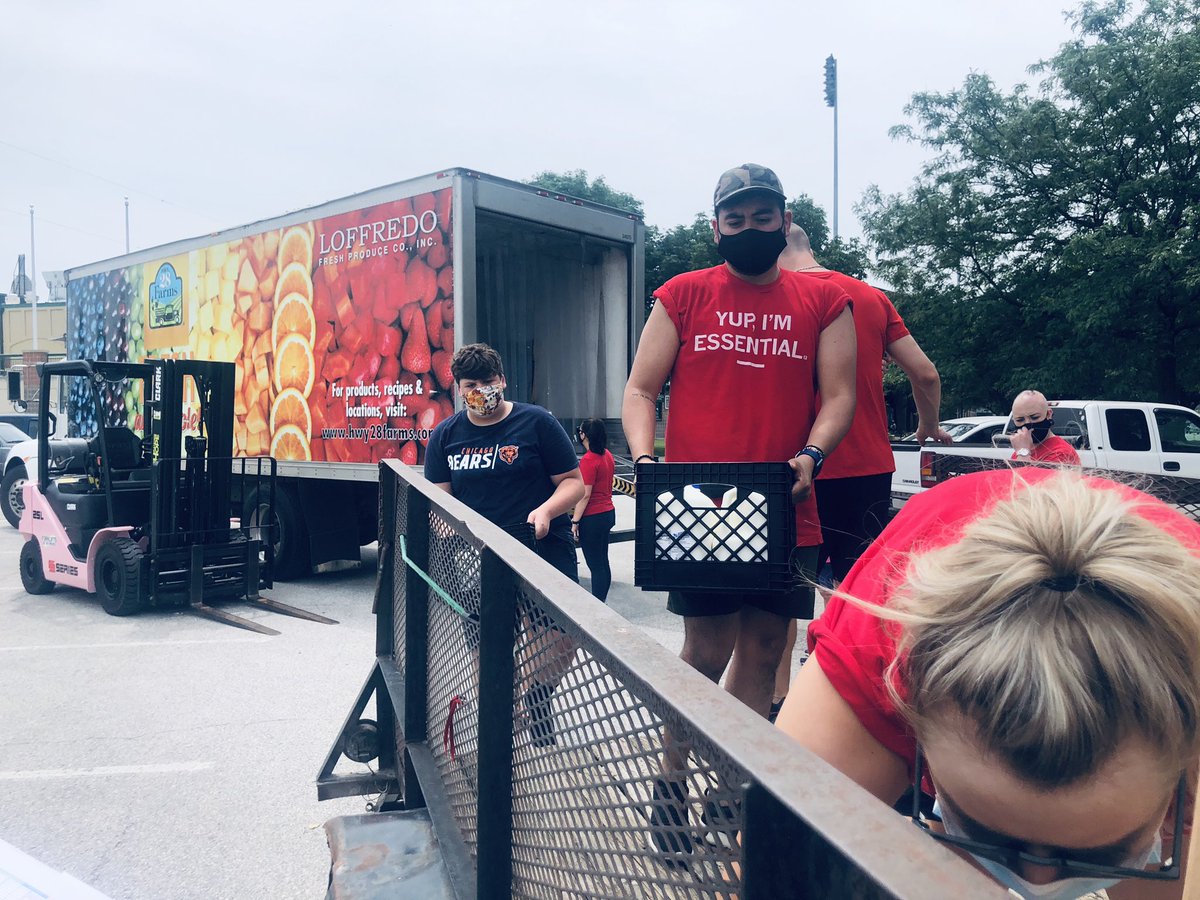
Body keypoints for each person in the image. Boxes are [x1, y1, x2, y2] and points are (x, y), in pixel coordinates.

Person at [777, 468, 1198, 900]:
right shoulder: (877, 638)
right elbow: (766, 871)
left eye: (1100, 853)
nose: (1038, 884)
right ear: (913, 713)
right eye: (984, 834)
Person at [623, 163, 856, 862]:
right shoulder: (684, 295)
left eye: (763, 217)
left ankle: (730, 786)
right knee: (704, 652)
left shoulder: (826, 302)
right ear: (716, 225)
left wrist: (812, 457)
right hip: (701, 503)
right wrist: (644, 460)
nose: (750, 229)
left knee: (762, 653)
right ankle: (671, 784)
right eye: (736, 218)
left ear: (784, 221)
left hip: (787, 503)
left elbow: (840, 395)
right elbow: (641, 389)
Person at [769, 225, 953, 720]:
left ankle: (779, 705)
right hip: (865, 467)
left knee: (787, 591)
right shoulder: (870, 296)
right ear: (811, 246)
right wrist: (927, 426)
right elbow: (926, 373)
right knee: (860, 591)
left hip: (793, 469)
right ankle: (857, 703)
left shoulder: (777, 295)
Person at [423, 343, 585, 747]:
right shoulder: (446, 436)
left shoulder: (537, 423)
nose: (480, 390)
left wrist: (547, 511)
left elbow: (573, 482)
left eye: (488, 381)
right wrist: (448, 530)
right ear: (458, 389)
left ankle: (538, 694)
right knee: (490, 651)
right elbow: (437, 502)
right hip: (478, 556)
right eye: (470, 384)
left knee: (561, 642)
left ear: (503, 381)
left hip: (542, 545)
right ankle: (504, 734)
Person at [572, 418, 616, 601]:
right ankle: (602, 600)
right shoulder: (608, 455)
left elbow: (585, 494)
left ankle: (597, 603)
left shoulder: (589, 460)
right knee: (603, 562)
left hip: (592, 517)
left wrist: (575, 520)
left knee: (595, 565)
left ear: (585, 435)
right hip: (607, 513)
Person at [1010, 389, 1081, 465]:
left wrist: (1023, 454)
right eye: (1020, 420)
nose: (1027, 423)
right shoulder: (1020, 451)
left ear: (1048, 414)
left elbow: (1026, 476)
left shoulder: (1061, 453)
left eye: (1035, 417)